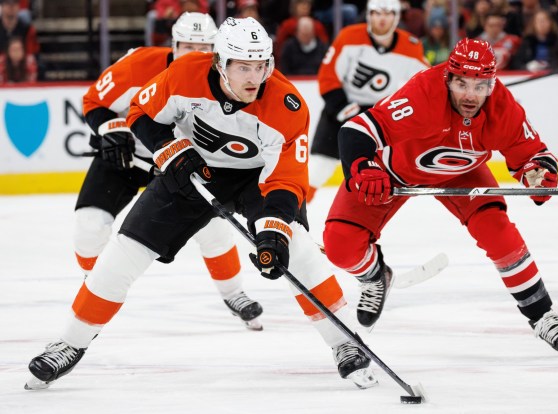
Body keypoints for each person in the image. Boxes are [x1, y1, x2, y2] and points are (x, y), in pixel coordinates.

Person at [26, 17, 375, 391]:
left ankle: (345, 343)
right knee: (123, 252)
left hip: (256, 179)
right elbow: (141, 113)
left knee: (300, 250)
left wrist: (274, 232)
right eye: (243, 66)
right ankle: (71, 341)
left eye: (261, 66)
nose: (253, 78)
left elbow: (286, 179)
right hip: (192, 172)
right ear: (220, 63)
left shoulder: (288, 106)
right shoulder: (184, 73)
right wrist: (170, 147)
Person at [322, 38, 558, 358]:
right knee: (339, 245)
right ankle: (375, 276)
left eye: (480, 85)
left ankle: (542, 316)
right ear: (448, 79)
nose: (471, 95)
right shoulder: (422, 94)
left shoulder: (502, 106)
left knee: (497, 231)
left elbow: (534, 155)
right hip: (393, 170)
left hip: (463, 172)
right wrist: (362, 167)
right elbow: (355, 131)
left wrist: (537, 174)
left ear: (492, 83)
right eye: (462, 84)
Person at [77, 12, 263, 331]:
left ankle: (234, 293)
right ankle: (93, 289)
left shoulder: (224, 82)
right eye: (187, 46)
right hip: (126, 156)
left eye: (204, 48)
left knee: (214, 230)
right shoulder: (138, 66)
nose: (194, 54)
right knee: (89, 227)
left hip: (177, 165)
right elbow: (94, 100)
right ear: (172, 45)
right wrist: (111, 129)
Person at [307, 0, 428, 202]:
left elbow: (427, 81)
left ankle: (368, 214)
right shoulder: (349, 36)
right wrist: (340, 106)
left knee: (378, 170)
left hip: (378, 116)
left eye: (388, 13)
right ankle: (297, 211)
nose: (382, 19)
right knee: (320, 166)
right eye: (376, 13)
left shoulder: (411, 46)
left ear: (396, 16)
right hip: (342, 107)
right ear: (369, 15)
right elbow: (328, 76)